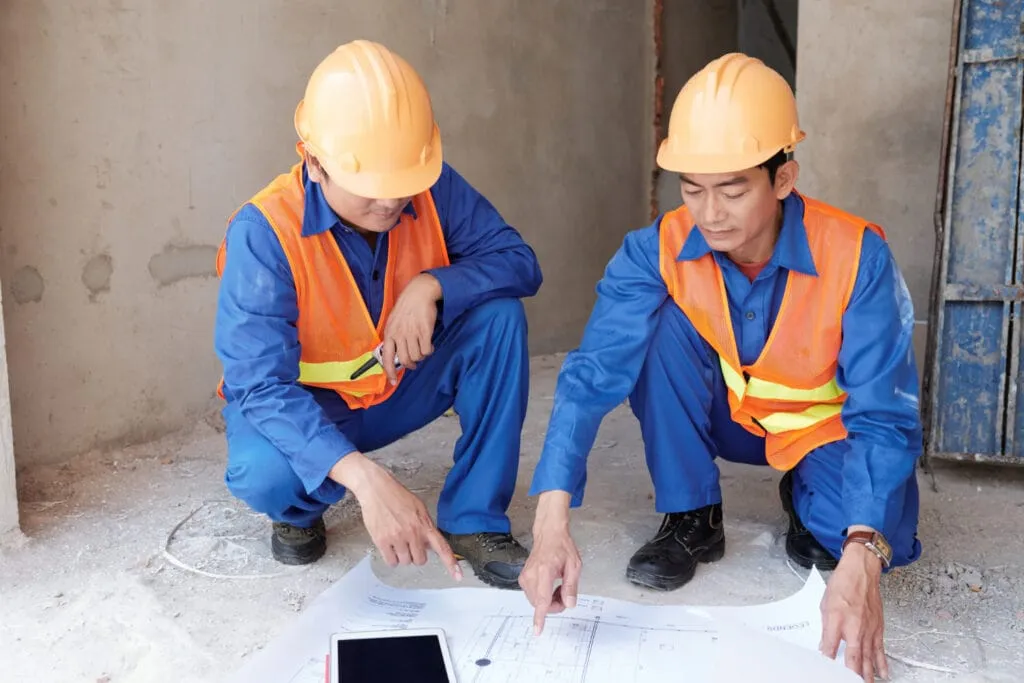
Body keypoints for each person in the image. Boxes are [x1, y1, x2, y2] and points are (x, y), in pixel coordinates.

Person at [519, 53, 922, 682]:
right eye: (692, 188)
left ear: (783, 178)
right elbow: (590, 375)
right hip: (727, 418)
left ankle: (808, 495)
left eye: (733, 189)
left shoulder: (856, 256)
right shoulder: (657, 250)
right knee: (654, 328)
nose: (710, 213)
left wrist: (863, 552)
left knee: (876, 535)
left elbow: (885, 413)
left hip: (825, 433)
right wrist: (550, 522)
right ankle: (692, 514)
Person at [213, 40, 542, 589]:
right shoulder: (265, 232)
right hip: (311, 410)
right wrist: (367, 481)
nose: (391, 204)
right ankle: (300, 511)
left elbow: (519, 263)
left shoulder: (429, 184)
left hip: (396, 389)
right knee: (263, 475)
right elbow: (259, 387)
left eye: (401, 185)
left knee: (500, 318)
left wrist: (433, 284)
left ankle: (473, 520)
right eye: (371, 189)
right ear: (314, 161)